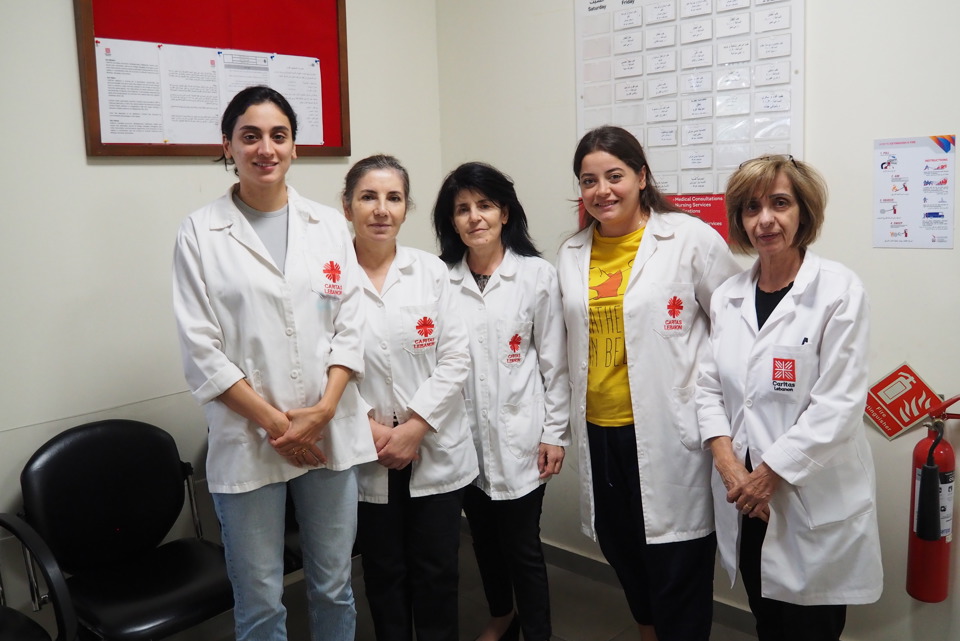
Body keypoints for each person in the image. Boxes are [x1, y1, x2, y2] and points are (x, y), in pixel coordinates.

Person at [172, 86, 375, 641]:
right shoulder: (200, 233)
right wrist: (279, 425)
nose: (266, 148)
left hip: (328, 432)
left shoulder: (328, 226)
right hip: (249, 439)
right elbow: (201, 348)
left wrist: (325, 410)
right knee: (260, 599)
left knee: (333, 585)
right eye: (250, 135)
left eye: (278, 135)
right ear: (228, 146)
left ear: (294, 147)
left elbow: (350, 323)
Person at [556, 126, 740, 641]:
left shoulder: (689, 238)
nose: (602, 190)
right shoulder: (572, 252)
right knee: (622, 547)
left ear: (641, 176)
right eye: (589, 180)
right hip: (600, 429)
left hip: (667, 427)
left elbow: (732, 323)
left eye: (614, 176)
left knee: (678, 554)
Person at [696, 155, 883, 640]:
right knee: (767, 618)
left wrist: (766, 476)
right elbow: (708, 388)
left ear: (803, 212)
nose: (765, 219)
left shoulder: (839, 291)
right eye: (752, 207)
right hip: (749, 500)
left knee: (811, 627)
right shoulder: (727, 296)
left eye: (780, 203)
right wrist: (728, 464)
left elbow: (838, 406)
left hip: (807, 498)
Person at [433, 162, 570, 641]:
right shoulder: (441, 281)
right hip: (463, 440)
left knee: (523, 547)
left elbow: (555, 364)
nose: (475, 218)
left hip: (521, 437)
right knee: (484, 543)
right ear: (451, 221)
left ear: (505, 213)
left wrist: (555, 433)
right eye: (463, 209)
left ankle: (538, 630)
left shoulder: (536, 276)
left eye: (485, 206)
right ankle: (501, 615)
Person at [345, 154, 479, 641]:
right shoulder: (328, 280)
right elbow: (323, 368)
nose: (381, 209)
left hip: (434, 447)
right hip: (368, 449)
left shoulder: (430, 272)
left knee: (438, 572)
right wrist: (373, 430)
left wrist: (415, 427)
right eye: (368, 197)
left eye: (394, 198)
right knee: (384, 573)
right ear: (347, 206)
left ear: (406, 209)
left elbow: (456, 358)